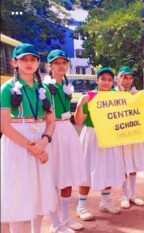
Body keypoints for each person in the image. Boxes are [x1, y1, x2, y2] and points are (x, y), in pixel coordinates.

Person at [1, 43, 57, 233]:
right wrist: (31, 147)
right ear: (14, 62)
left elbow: (51, 121)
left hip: (40, 142)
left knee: (38, 193)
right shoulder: (7, 88)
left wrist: (43, 143)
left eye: (33, 59)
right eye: (23, 59)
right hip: (17, 144)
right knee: (20, 196)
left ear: (38, 63)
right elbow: (4, 125)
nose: (28, 63)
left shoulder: (45, 89)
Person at [74, 67, 126, 220]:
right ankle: (81, 206)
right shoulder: (89, 97)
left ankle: (105, 201)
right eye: (103, 79)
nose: (106, 82)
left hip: (110, 136)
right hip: (92, 135)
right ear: (97, 80)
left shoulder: (117, 96)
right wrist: (81, 103)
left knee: (108, 168)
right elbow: (78, 121)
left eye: (110, 80)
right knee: (87, 169)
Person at [44, 49, 86, 231]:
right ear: (50, 66)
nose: (61, 66)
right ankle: (55, 223)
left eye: (63, 63)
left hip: (67, 128)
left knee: (67, 174)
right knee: (54, 176)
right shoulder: (44, 86)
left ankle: (65, 217)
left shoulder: (66, 85)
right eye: (56, 63)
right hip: (53, 130)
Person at [115, 66, 144, 209]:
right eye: (124, 77)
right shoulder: (112, 93)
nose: (127, 80)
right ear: (119, 78)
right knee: (123, 166)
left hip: (133, 134)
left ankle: (133, 195)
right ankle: (124, 195)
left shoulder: (136, 93)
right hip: (119, 136)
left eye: (130, 78)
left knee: (133, 164)